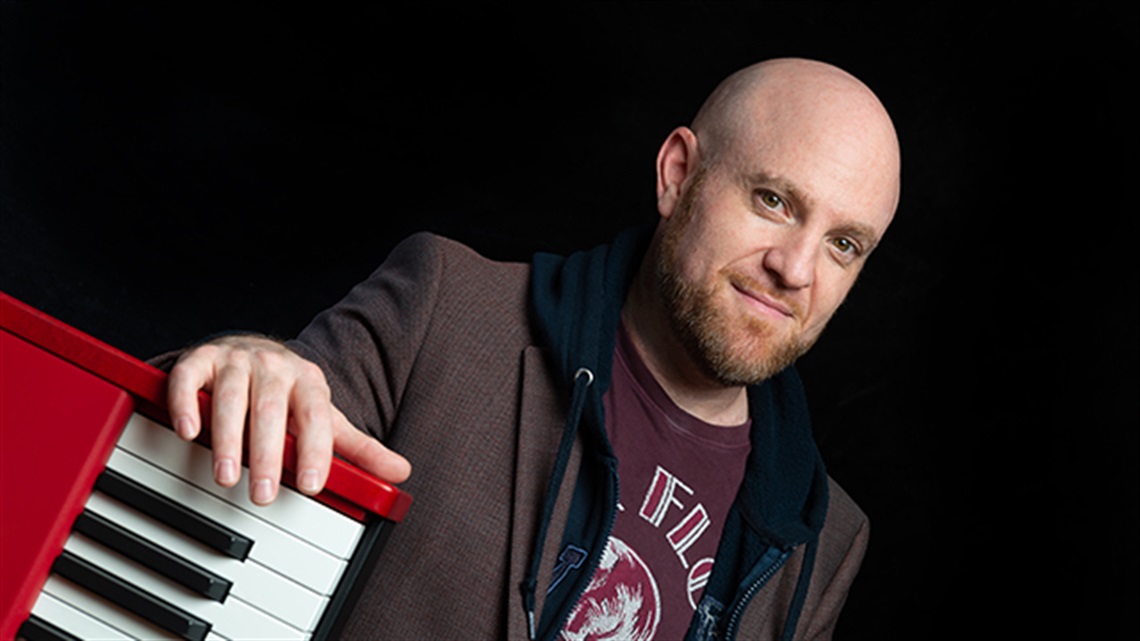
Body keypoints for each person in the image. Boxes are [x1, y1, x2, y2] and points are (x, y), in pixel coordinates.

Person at [165, 57, 901, 640]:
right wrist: (238, 373)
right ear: (678, 174)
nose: (796, 269)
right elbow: (206, 447)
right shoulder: (446, 311)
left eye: (843, 244)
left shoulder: (825, 537)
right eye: (774, 201)